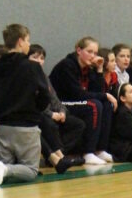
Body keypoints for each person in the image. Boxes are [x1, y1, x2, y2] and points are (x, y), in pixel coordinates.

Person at [0, 23, 50, 187]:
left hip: (3, 126)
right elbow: (45, 94)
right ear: (20, 41)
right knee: (30, 170)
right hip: (26, 124)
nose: (29, 44)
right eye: (28, 40)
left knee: (1, 167)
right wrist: (36, 109)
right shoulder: (32, 66)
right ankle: (5, 170)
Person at [49, 36, 115, 165]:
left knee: (106, 104)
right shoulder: (67, 65)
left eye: (95, 53)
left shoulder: (88, 67)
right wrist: (104, 95)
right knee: (94, 105)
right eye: (89, 52)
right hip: (62, 103)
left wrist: (99, 69)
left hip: (76, 102)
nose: (93, 56)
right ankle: (88, 152)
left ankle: (100, 149)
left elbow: (97, 91)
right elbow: (77, 94)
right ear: (79, 50)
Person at [28, 44, 85, 173]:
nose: (39, 61)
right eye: (35, 57)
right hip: (40, 114)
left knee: (78, 124)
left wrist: (62, 111)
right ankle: (58, 157)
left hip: (53, 114)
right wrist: (51, 114)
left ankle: (59, 155)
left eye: (42, 58)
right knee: (49, 124)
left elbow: (55, 98)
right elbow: (33, 103)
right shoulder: (28, 78)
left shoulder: (44, 77)